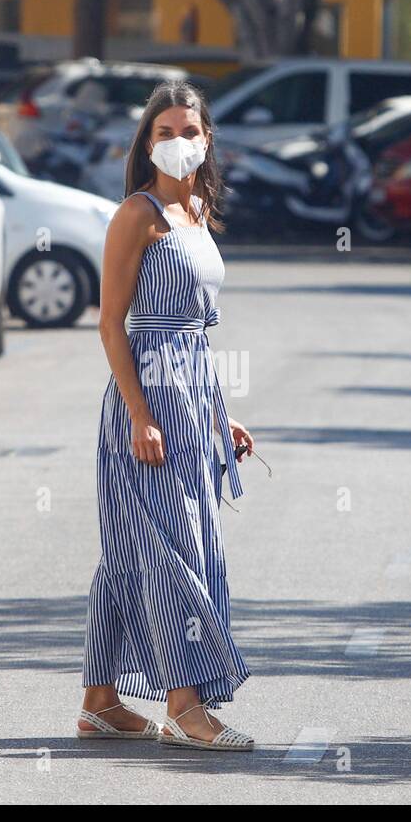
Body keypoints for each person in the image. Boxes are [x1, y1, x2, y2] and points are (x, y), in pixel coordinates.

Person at [77, 81, 255, 752]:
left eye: (191, 131)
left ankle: (99, 699)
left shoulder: (198, 211)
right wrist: (139, 414)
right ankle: (186, 706)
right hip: (145, 401)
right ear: (147, 144)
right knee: (172, 548)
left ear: (208, 139)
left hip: (191, 395)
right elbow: (111, 326)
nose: (180, 143)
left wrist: (219, 420)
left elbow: (199, 335)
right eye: (166, 133)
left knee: (130, 547)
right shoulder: (137, 214)